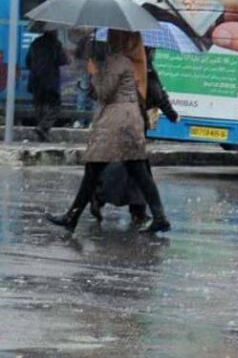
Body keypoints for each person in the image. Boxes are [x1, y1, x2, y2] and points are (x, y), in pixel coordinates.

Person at [46, 32, 170, 234]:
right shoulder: (131, 61)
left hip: (116, 124)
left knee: (95, 171)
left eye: (112, 37)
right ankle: (159, 217)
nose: (109, 41)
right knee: (135, 172)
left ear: (120, 40)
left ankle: (72, 217)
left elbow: (105, 93)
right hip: (128, 122)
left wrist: (94, 72)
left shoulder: (118, 61)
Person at [89, 46, 178, 225]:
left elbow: (99, 94)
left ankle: (129, 207)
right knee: (135, 170)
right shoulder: (144, 69)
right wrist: (170, 113)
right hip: (132, 124)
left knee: (125, 167)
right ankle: (139, 210)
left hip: (116, 123)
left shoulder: (116, 65)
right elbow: (157, 94)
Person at [25, 29, 68, 141]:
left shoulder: (35, 42)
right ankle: (43, 128)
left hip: (35, 80)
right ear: (53, 32)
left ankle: (42, 134)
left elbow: (28, 61)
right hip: (50, 81)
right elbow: (62, 60)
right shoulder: (56, 44)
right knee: (55, 106)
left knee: (39, 106)